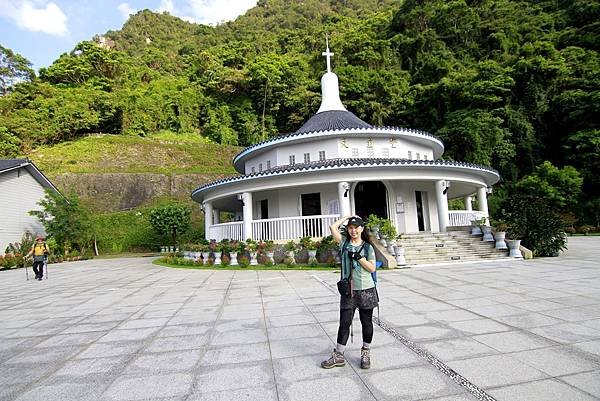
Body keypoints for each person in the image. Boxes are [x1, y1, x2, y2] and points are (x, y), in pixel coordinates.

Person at [321, 215, 378, 369]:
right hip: (348, 291)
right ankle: (339, 355)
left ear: (362, 229)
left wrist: (359, 258)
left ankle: (365, 352)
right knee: (345, 323)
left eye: (356, 227)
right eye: (351, 228)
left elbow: (372, 268)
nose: (353, 230)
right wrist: (347, 217)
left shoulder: (368, 247)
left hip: (366, 289)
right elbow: (333, 228)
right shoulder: (344, 243)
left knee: (366, 322)